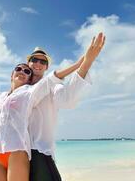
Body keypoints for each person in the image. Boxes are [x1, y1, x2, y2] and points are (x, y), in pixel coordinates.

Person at [27, 32, 106, 181]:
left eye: (42, 62)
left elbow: (68, 99)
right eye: (34, 59)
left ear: (46, 67)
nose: (38, 63)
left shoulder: (52, 87)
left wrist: (87, 62)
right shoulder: (19, 89)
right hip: (18, 154)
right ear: (28, 63)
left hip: (40, 152)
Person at [0, 63, 64, 181]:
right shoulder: (1, 96)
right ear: (12, 74)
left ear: (28, 79)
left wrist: (81, 63)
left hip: (17, 152)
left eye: (27, 72)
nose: (22, 71)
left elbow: (51, 79)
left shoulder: (28, 93)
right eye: (18, 69)